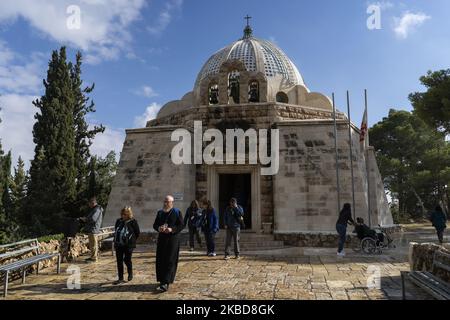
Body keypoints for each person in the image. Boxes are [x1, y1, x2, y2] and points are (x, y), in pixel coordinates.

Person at [153, 195, 184, 293]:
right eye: (165, 201)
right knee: (161, 259)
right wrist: (159, 228)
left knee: (170, 259)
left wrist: (172, 229)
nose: (165, 203)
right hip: (162, 239)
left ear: (172, 202)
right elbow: (155, 225)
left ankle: (166, 282)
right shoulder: (160, 213)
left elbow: (181, 225)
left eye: (168, 202)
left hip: (173, 239)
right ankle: (162, 280)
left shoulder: (177, 212)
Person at [113, 207, 140, 285]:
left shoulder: (133, 222)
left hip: (129, 245)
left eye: (124, 214)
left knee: (127, 259)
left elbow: (137, 232)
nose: (123, 215)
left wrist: (131, 240)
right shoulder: (118, 221)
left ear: (129, 214)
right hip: (119, 244)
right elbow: (116, 230)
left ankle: (130, 272)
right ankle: (120, 278)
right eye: (122, 214)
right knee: (119, 261)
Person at [79, 197, 103, 263]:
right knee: (92, 244)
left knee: (94, 244)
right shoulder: (95, 209)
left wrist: (85, 219)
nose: (89, 205)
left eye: (89, 204)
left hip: (93, 229)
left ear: (92, 203)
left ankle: (94, 258)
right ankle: (92, 257)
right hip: (92, 229)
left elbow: (93, 219)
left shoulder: (97, 209)